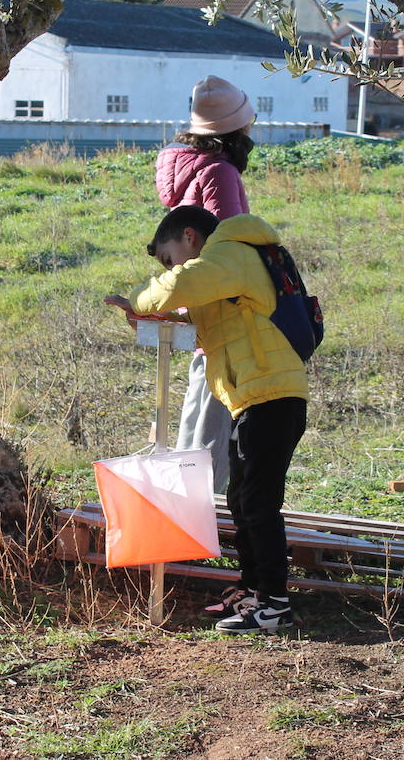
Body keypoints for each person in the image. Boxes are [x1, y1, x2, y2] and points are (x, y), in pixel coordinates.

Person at [105, 205, 308, 634]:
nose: (171, 267)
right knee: (241, 498)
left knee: (258, 501)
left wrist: (141, 300)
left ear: (190, 238)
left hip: (271, 394)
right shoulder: (223, 273)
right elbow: (195, 319)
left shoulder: (230, 253)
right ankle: (253, 591)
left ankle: (275, 604)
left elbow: (180, 284)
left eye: (168, 257)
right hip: (251, 397)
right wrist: (152, 318)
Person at [155, 76, 256, 494]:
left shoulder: (188, 168)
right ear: (236, 127)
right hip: (221, 303)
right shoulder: (219, 172)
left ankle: (185, 500)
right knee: (217, 409)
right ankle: (204, 511)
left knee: (201, 398)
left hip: (194, 294)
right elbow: (227, 243)